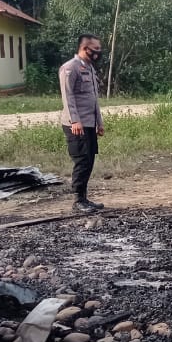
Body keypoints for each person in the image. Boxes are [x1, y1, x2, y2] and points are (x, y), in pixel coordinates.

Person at [59, 33, 105, 213]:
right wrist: (75, 121)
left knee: (89, 160)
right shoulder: (70, 68)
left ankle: (84, 198)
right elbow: (68, 97)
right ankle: (77, 200)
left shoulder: (90, 68)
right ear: (84, 48)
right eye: (96, 49)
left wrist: (99, 122)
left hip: (89, 123)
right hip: (76, 124)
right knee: (82, 161)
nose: (98, 53)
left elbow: (93, 99)